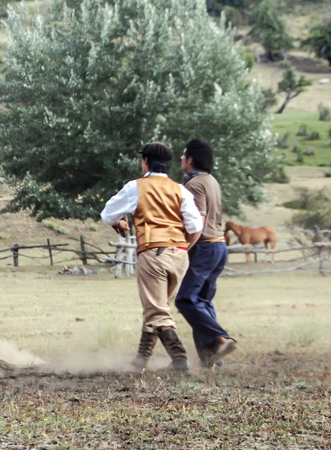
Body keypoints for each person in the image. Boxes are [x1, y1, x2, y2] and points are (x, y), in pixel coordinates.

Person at [100, 142, 203, 371]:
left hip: (153, 252)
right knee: (158, 308)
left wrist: (118, 221)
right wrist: (184, 247)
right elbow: (196, 227)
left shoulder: (136, 187)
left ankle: (179, 360)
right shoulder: (180, 190)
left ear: (145, 161)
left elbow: (107, 214)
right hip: (180, 255)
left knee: (157, 311)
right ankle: (141, 359)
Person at [175, 139, 237, 367]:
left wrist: (184, 248)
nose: (181, 158)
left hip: (204, 247)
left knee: (185, 299)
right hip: (219, 247)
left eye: (183, 155)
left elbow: (198, 221)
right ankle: (211, 358)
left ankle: (221, 338)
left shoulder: (194, 184)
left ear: (191, 159)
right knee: (202, 300)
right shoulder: (211, 181)